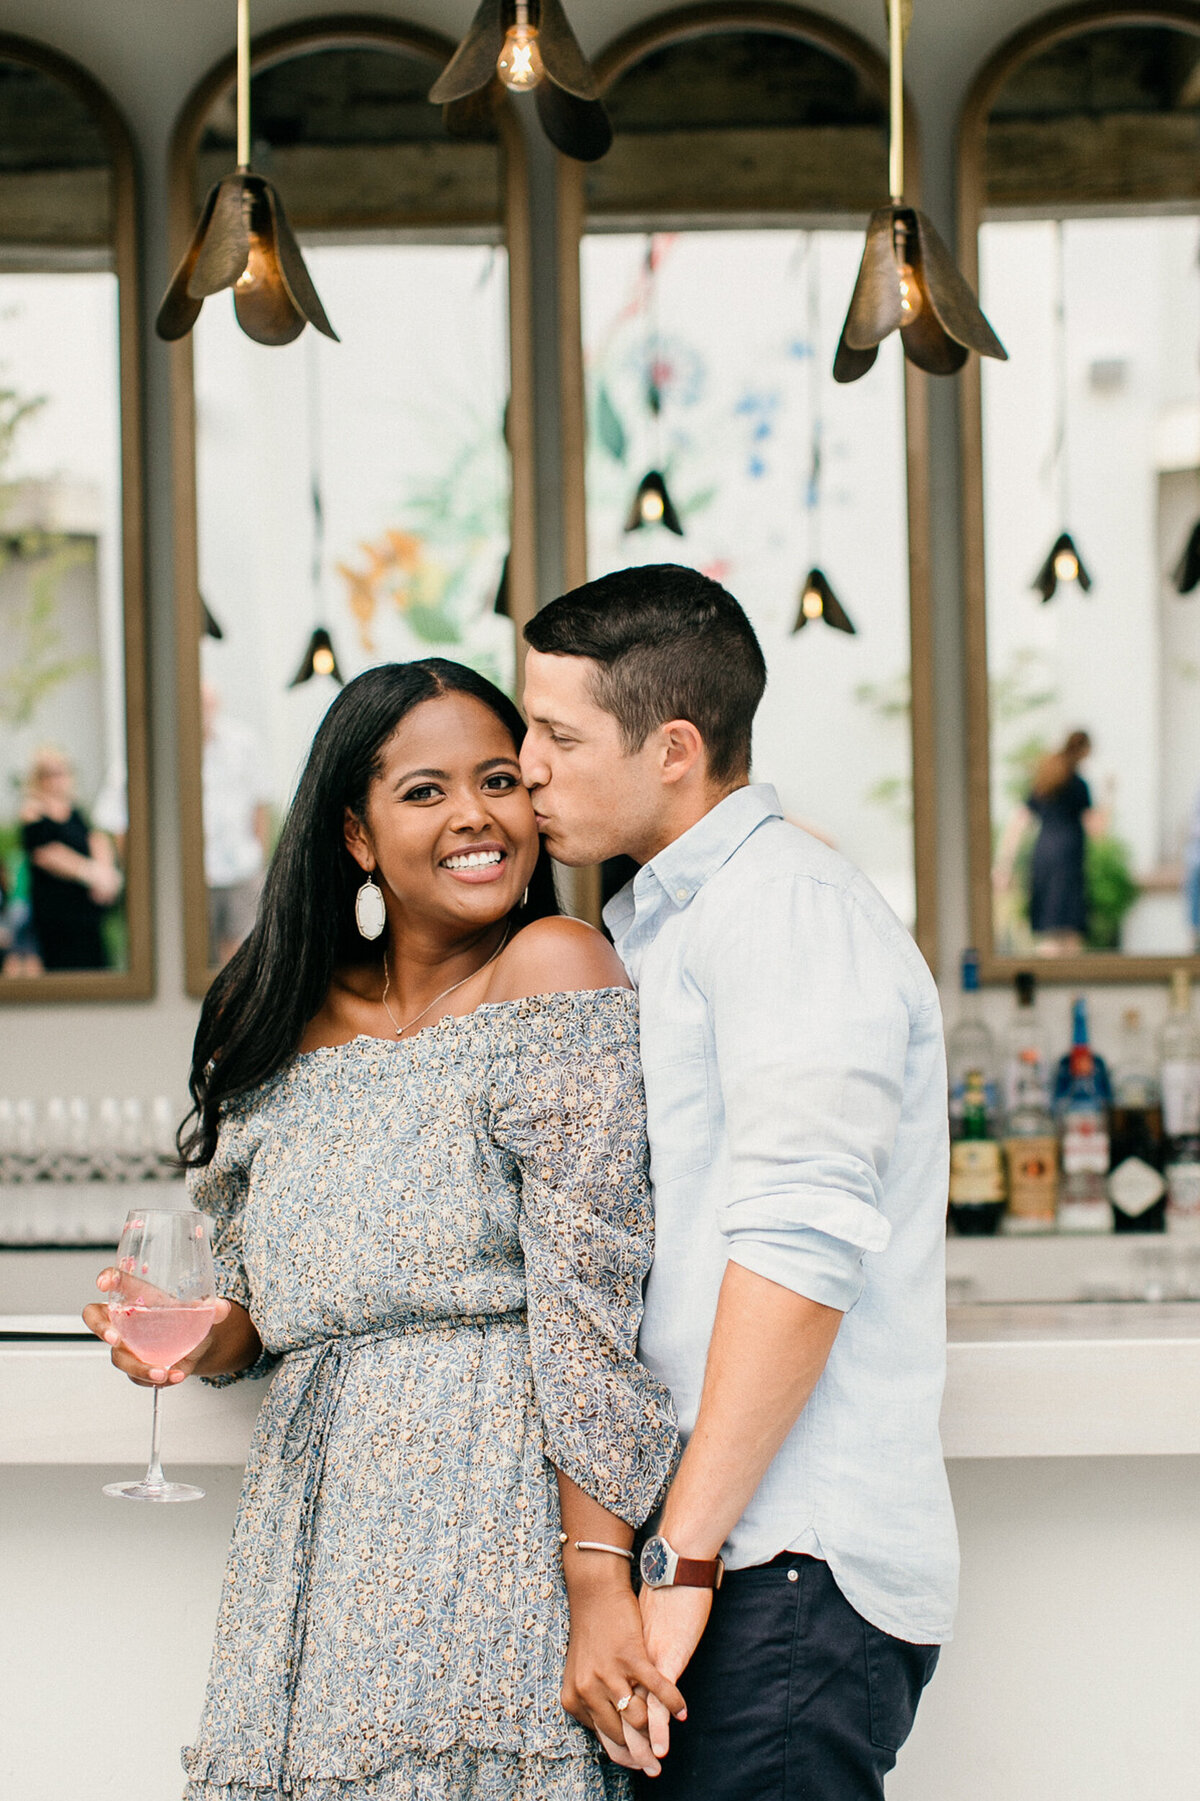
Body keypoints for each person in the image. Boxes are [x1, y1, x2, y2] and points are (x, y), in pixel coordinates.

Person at [84, 659, 682, 1801]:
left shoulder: (553, 968)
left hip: (495, 1517)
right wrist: (194, 1334)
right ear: (355, 835)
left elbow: (593, 1308)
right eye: (425, 790)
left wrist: (600, 1587)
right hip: (313, 1537)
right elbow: (255, 1311)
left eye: (501, 779)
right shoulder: (270, 1016)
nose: (476, 815)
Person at [519, 566, 956, 1800]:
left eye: (557, 735)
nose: (529, 766)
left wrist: (685, 1564)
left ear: (673, 749)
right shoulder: (663, 922)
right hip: (743, 1565)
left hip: (782, 1569)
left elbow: (800, 1250)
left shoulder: (787, 909)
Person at [994, 729, 1107, 956]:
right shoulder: (1077, 785)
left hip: (1044, 857)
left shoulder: (1047, 781)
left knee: (1050, 930)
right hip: (1067, 861)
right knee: (1066, 935)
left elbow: (1020, 820)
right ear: (1084, 752)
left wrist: (1005, 861)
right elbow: (1097, 830)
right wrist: (1111, 794)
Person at [19, 746, 121, 971]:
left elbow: (96, 839)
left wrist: (105, 872)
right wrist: (90, 873)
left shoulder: (75, 812)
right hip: (57, 914)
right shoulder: (33, 812)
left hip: (86, 913)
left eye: (61, 772)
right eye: (49, 774)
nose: (56, 780)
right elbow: (47, 854)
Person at [201, 682, 272, 967]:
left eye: (207, 704)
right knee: (198, 958)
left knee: (242, 952)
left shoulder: (242, 742)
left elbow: (260, 803)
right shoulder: (170, 744)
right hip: (195, 876)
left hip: (241, 868)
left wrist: (259, 858)